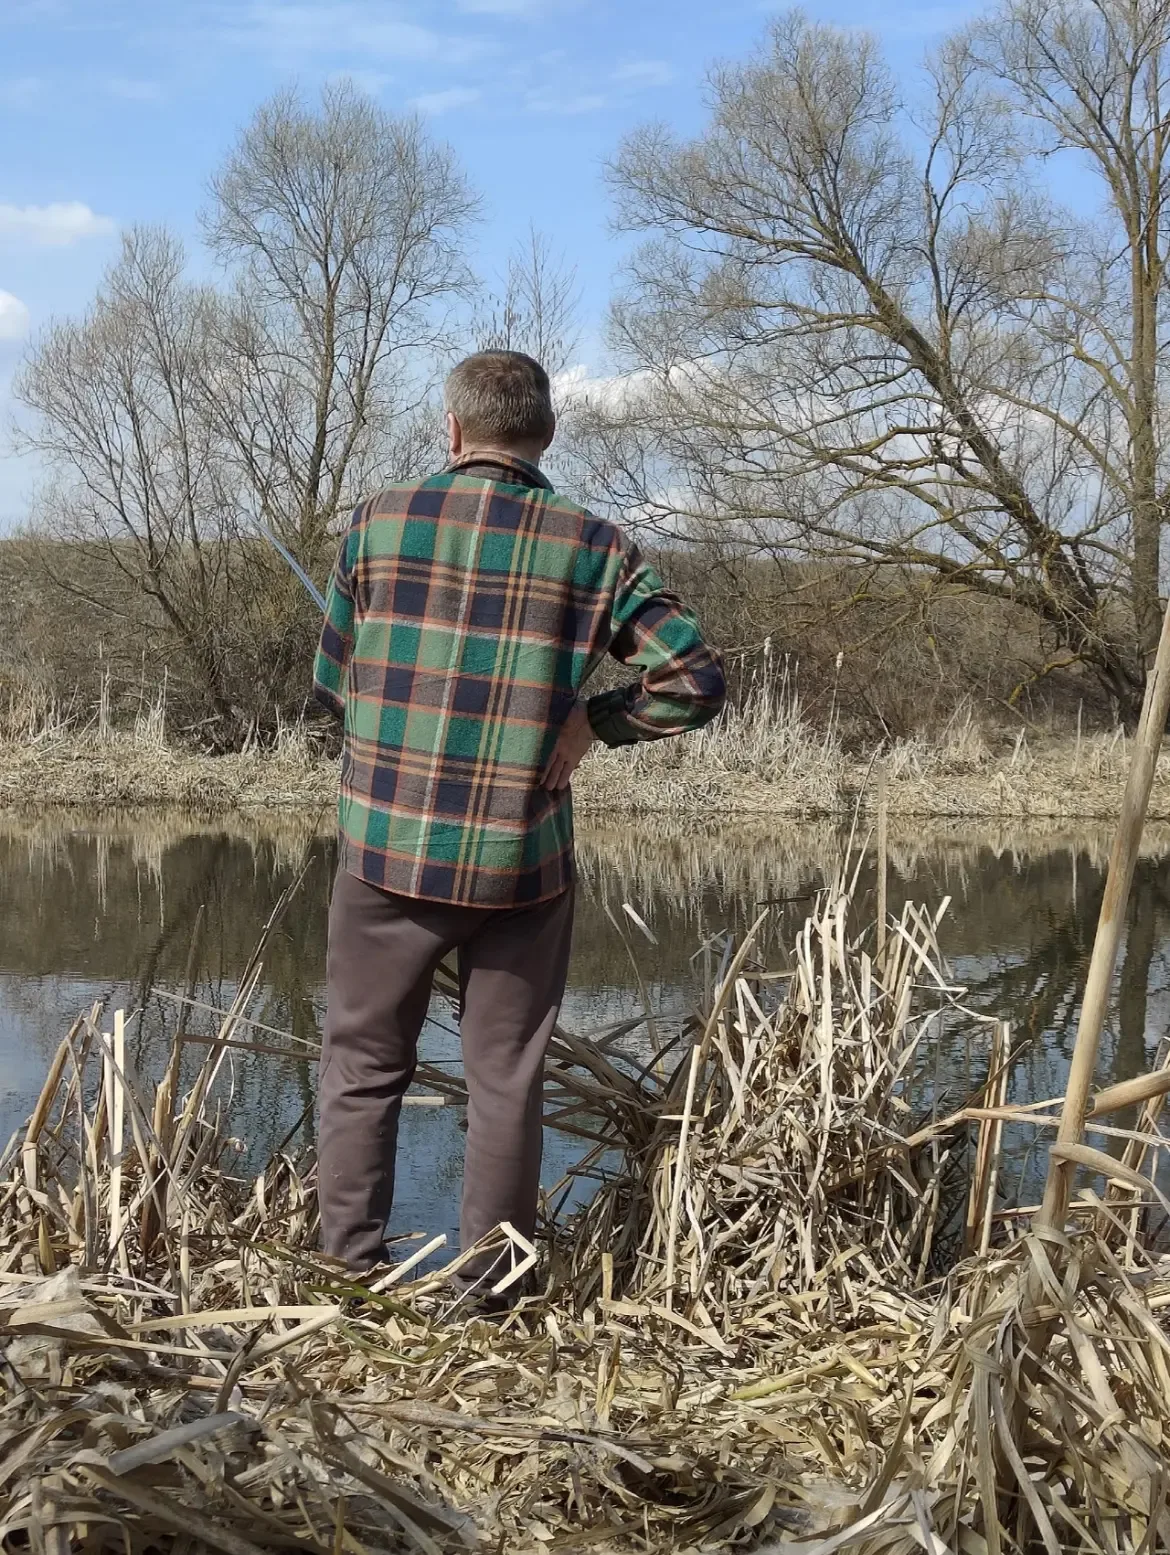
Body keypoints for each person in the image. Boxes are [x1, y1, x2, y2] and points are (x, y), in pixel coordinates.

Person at [312, 349, 725, 1285]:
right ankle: (492, 1289)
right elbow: (694, 681)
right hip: (521, 862)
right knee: (504, 1080)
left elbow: (333, 681)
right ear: (547, 433)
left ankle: (349, 1272)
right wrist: (596, 721)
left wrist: (386, 719)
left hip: (385, 856)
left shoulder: (376, 522)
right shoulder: (598, 546)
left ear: (452, 428)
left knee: (362, 1066)